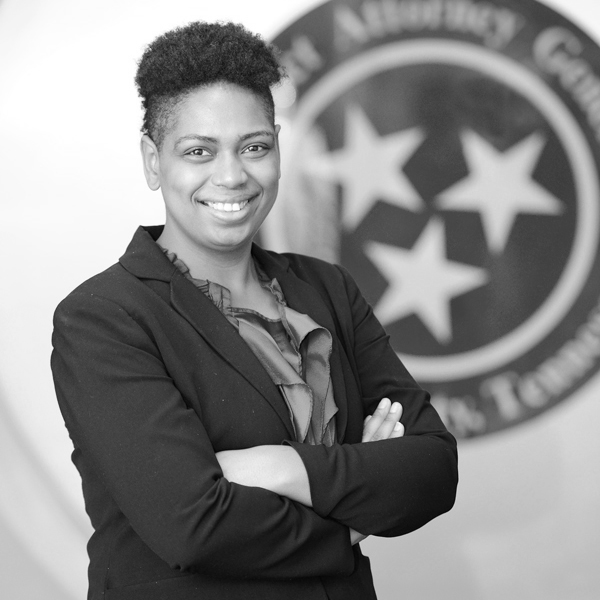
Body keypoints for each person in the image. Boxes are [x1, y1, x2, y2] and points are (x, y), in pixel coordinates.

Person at [51, 21, 458, 600]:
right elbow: (195, 525)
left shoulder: (327, 289)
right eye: (198, 151)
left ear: (277, 150)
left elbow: (433, 468)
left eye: (254, 147)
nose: (232, 176)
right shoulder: (102, 318)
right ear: (152, 161)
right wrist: (354, 512)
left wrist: (279, 468)